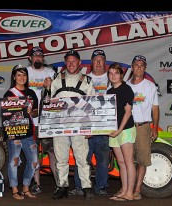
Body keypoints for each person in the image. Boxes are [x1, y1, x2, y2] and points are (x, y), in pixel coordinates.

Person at [51, 49, 95, 200]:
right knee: (61, 158)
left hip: (79, 124)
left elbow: (91, 105)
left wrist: (89, 127)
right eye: (68, 61)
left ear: (79, 63)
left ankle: (87, 187)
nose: (71, 64)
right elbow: (50, 103)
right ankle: (62, 186)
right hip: (60, 125)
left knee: (82, 158)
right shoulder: (56, 79)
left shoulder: (87, 81)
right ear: (65, 63)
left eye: (74, 61)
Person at [69, 49, 110, 196]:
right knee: (82, 157)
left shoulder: (111, 77)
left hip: (103, 125)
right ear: (91, 63)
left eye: (101, 59)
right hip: (85, 124)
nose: (98, 62)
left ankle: (101, 186)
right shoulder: (84, 79)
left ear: (105, 62)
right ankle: (79, 186)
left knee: (103, 159)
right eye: (95, 60)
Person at [2, 65, 39, 200]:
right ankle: (14, 189)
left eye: (24, 75)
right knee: (14, 160)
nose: (22, 78)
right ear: (14, 77)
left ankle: (26, 187)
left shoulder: (32, 93)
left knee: (34, 160)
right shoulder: (9, 94)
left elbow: (36, 112)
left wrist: (31, 111)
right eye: (19, 75)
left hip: (29, 131)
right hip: (15, 132)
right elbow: (6, 113)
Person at [127, 55, 159, 200]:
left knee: (142, 160)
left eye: (142, 65)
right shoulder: (125, 85)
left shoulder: (150, 86)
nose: (139, 67)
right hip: (127, 127)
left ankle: (137, 189)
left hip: (143, 127)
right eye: (136, 65)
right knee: (128, 160)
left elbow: (155, 108)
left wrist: (155, 127)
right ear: (132, 67)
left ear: (145, 68)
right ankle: (127, 187)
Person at [26, 46, 57, 194]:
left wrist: (52, 85)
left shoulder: (51, 72)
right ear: (30, 58)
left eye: (40, 55)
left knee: (52, 152)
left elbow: (59, 93)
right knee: (33, 154)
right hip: (31, 121)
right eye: (35, 55)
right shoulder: (24, 73)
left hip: (48, 121)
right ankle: (36, 184)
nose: (38, 57)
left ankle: (59, 183)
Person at [107, 62, 136, 201]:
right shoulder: (109, 92)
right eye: (111, 73)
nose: (113, 76)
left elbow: (128, 112)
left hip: (126, 129)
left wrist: (119, 130)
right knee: (120, 161)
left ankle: (130, 193)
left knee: (128, 161)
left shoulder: (126, 89)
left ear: (121, 75)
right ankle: (124, 190)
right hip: (114, 131)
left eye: (116, 73)